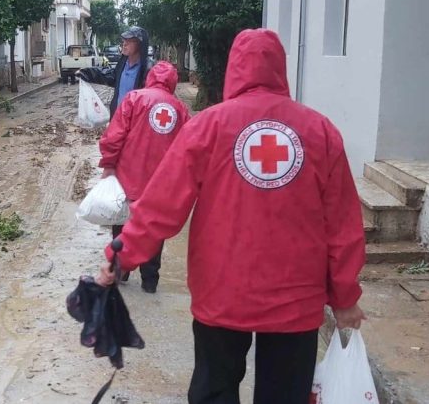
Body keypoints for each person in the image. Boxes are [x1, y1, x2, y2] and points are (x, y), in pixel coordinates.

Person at [94, 29, 368, 403]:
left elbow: (161, 207)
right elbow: (343, 225)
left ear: (233, 69)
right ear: (280, 68)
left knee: (215, 389)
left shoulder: (208, 127)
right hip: (296, 298)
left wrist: (119, 255)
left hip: (222, 292)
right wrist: (345, 296)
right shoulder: (320, 131)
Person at [99, 60, 191, 294]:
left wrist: (108, 163)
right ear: (173, 82)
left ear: (150, 77)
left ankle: (119, 272)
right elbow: (188, 147)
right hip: (160, 184)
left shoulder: (133, 98)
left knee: (122, 224)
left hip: (128, 177)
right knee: (153, 230)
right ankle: (150, 283)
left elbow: (114, 135)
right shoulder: (180, 109)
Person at [78, 26, 155, 116]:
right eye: (124, 41)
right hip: (117, 118)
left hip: (135, 121)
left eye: (130, 41)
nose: (124, 44)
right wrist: (86, 73)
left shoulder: (149, 69)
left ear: (140, 45)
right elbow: (112, 76)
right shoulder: (123, 63)